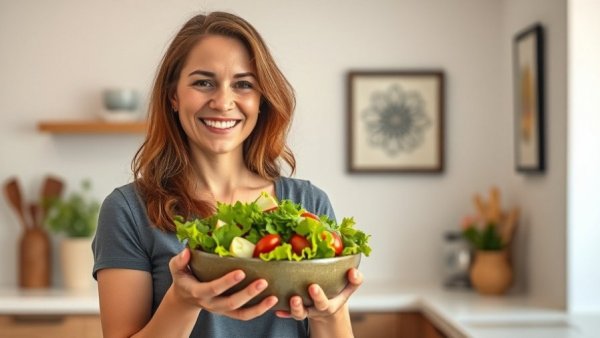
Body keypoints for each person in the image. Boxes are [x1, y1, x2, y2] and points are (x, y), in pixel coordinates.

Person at [92, 11, 362, 338]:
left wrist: (328, 315)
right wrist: (183, 299)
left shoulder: (307, 203)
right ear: (173, 96)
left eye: (243, 84)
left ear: (261, 99)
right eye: (203, 82)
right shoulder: (128, 210)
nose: (223, 102)